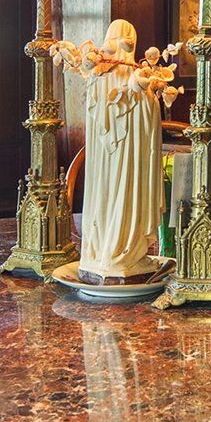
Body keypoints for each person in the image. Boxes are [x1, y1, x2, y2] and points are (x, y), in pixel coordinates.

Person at [79, 19, 165, 281]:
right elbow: (149, 120)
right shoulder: (134, 78)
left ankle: (99, 252)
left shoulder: (96, 80)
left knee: (102, 195)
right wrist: (148, 92)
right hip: (129, 161)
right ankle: (121, 253)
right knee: (125, 194)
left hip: (104, 164)